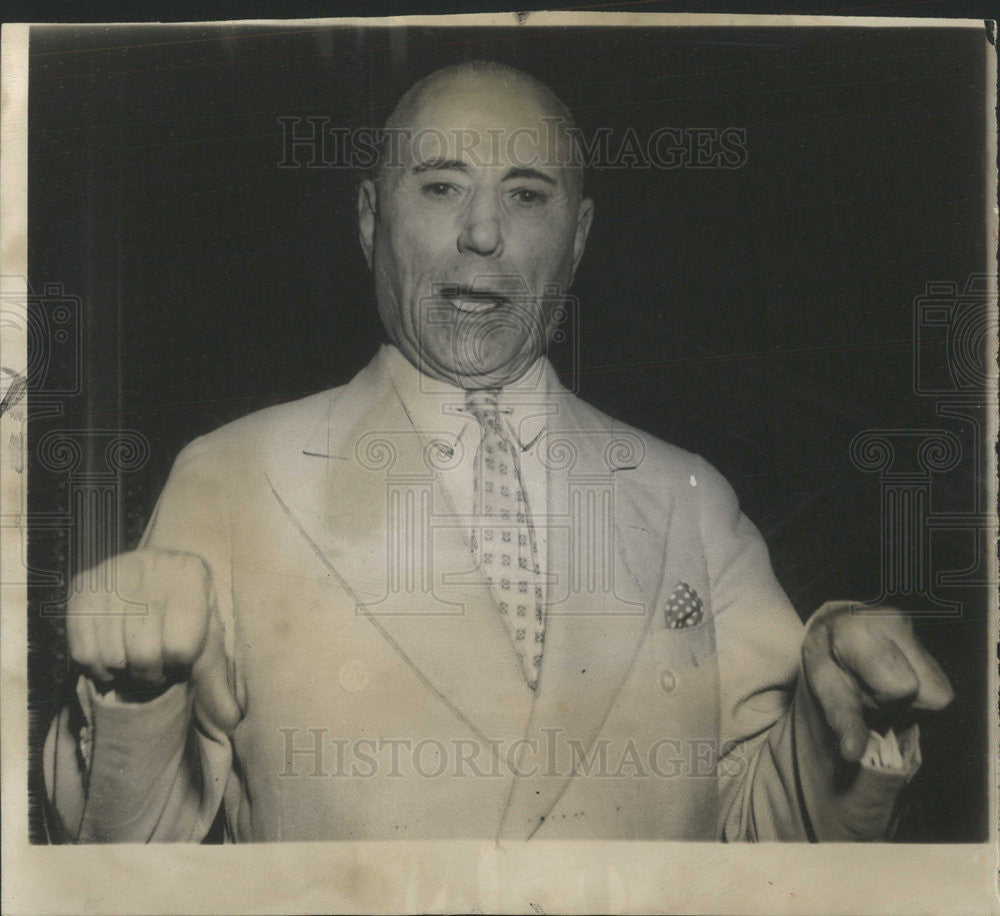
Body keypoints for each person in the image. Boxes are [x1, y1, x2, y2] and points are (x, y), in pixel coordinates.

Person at [43, 60, 953, 843]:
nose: (482, 233)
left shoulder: (689, 500)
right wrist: (138, 696)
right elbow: (127, 859)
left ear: (580, 238)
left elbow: (767, 834)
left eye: (526, 195)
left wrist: (846, 722)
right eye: (439, 187)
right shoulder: (233, 476)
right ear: (369, 219)